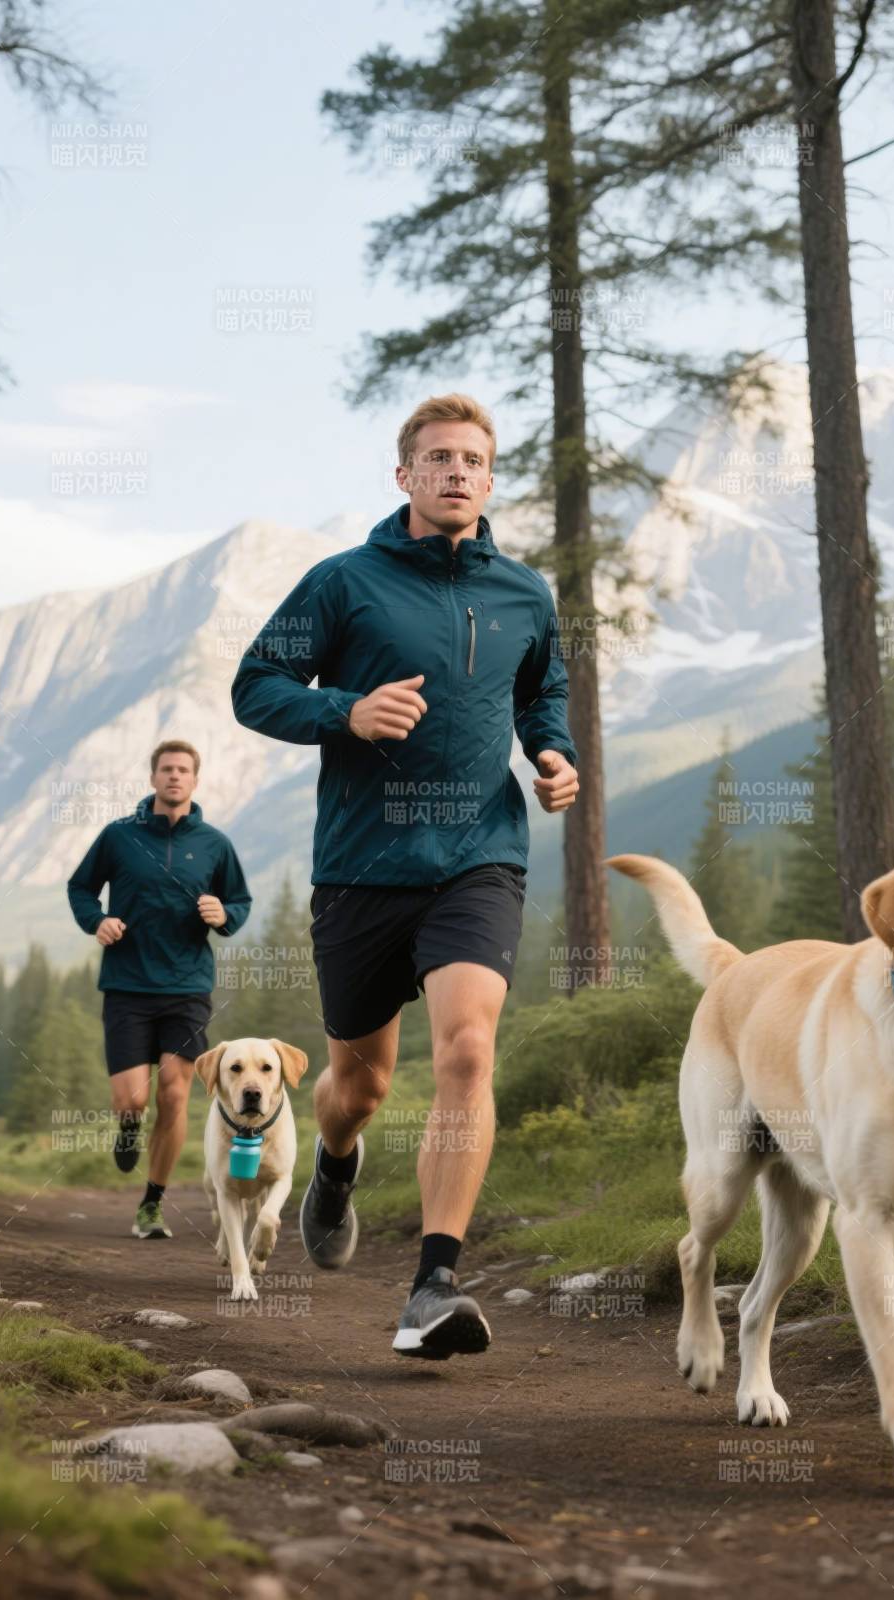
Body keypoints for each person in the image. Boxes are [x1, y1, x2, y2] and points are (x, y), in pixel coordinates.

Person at [231, 392, 579, 1359]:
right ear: (405, 476)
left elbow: (541, 694)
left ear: (491, 477)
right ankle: (334, 1165)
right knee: (359, 1085)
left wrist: (551, 756)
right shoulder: (344, 583)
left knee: (468, 1050)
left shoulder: (524, 593)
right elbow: (255, 685)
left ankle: (433, 1284)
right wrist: (345, 710)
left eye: (473, 458)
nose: (457, 471)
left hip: (479, 857)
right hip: (361, 868)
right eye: (438, 458)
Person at [66, 739, 253, 1240]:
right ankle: (128, 1126)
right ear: (153, 779)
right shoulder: (119, 837)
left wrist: (225, 916)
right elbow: (80, 887)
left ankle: (152, 1203)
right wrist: (97, 922)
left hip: (186, 988)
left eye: (183, 770)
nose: (174, 777)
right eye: (167, 769)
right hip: (127, 984)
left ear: (195, 780)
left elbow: (239, 901)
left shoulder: (215, 844)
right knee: (132, 1100)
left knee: (174, 1095)